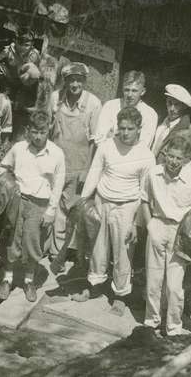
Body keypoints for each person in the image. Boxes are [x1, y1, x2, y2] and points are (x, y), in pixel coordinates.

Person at [75, 106, 156, 314]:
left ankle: (121, 295)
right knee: (97, 249)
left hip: (127, 207)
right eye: (122, 128)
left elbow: (145, 193)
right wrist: (84, 201)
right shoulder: (106, 146)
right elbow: (94, 173)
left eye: (130, 128)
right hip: (103, 201)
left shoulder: (146, 155)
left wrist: (136, 223)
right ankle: (93, 286)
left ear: (139, 128)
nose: (125, 133)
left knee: (123, 253)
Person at [137, 128, 191, 337]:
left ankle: (173, 327)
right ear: (165, 153)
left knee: (174, 286)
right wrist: (150, 224)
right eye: (170, 156)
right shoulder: (154, 173)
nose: (173, 161)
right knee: (153, 281)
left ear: (186, 158)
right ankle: (151, 322)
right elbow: (144, 200)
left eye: (179, 158)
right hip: (158, 225)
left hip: (181, 231)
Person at [0, 110, 65, 303]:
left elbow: (58, 185)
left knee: (33, 243)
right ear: (28, 130)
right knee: (13, 239)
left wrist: (51, 210)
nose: (37, 136)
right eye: (34, 132)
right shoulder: (19, 148)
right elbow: (3, 168)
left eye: (42, 132)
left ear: (48, 130)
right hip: (18, 200)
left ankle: (29, 281)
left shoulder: (57, 154)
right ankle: (7, 279)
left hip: (40, 204)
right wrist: (10, 186)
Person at [44, 61, 102, 272]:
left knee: (71, 209)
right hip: (56, 162)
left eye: (79, 80)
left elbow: (96, 141)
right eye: (70, 80)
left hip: (79, 164)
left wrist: (89, 172)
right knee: (53, 205)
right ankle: (52, 252)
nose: (75, 84)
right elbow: (47, 129)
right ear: (65, 81)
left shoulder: (94, 104)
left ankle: (68, 253)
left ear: (84, 81)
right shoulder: (55, 98)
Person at [0, 27, 43, 139]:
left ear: (32, 44)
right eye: (20, 43)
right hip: (10, 81)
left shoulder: (34, 55)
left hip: (26, 86)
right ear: (15, 41)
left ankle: (16, 132)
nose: (23, 47)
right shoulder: (9, 50)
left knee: (20, 110)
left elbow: (31, 74)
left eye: (27, 44)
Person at [95, 71, 159, 147]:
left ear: (142, 91)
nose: (129, 95)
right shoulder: (110, 106)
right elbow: (99, 139)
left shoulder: (150, 114)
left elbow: (143, 146)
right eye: (127, 90)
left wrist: (113, 137)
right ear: (122, 89)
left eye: (134, 91)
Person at [150, 84, 191, 156]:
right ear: (166, 102)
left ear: (183, 107)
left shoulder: (186, 131)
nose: (172, 109)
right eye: (170, 103)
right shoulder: (159, 120)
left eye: (177, 105)